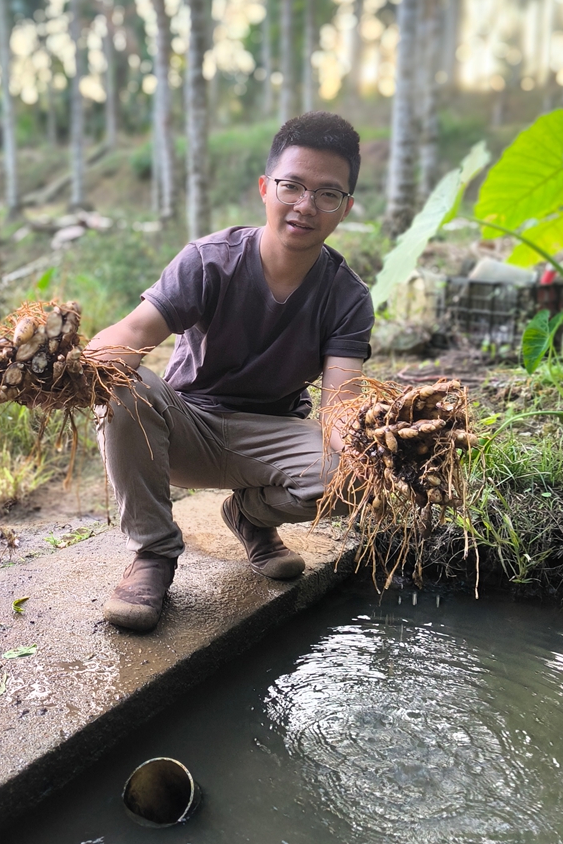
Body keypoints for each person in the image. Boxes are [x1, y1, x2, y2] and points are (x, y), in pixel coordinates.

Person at [89, 112, 373, 632]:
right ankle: (153, 554)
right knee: (121, 387)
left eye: (327, 194)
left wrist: (378, 450)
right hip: (187, 429)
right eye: (292, 186)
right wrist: (76, 367)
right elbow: (134, 332)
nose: (306, 205)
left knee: (356, 475)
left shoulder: (348, 297)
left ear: (345, 207)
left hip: (269, 439)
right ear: (266, 188)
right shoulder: (209, 260)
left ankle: (250, 516)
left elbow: (341, 405)